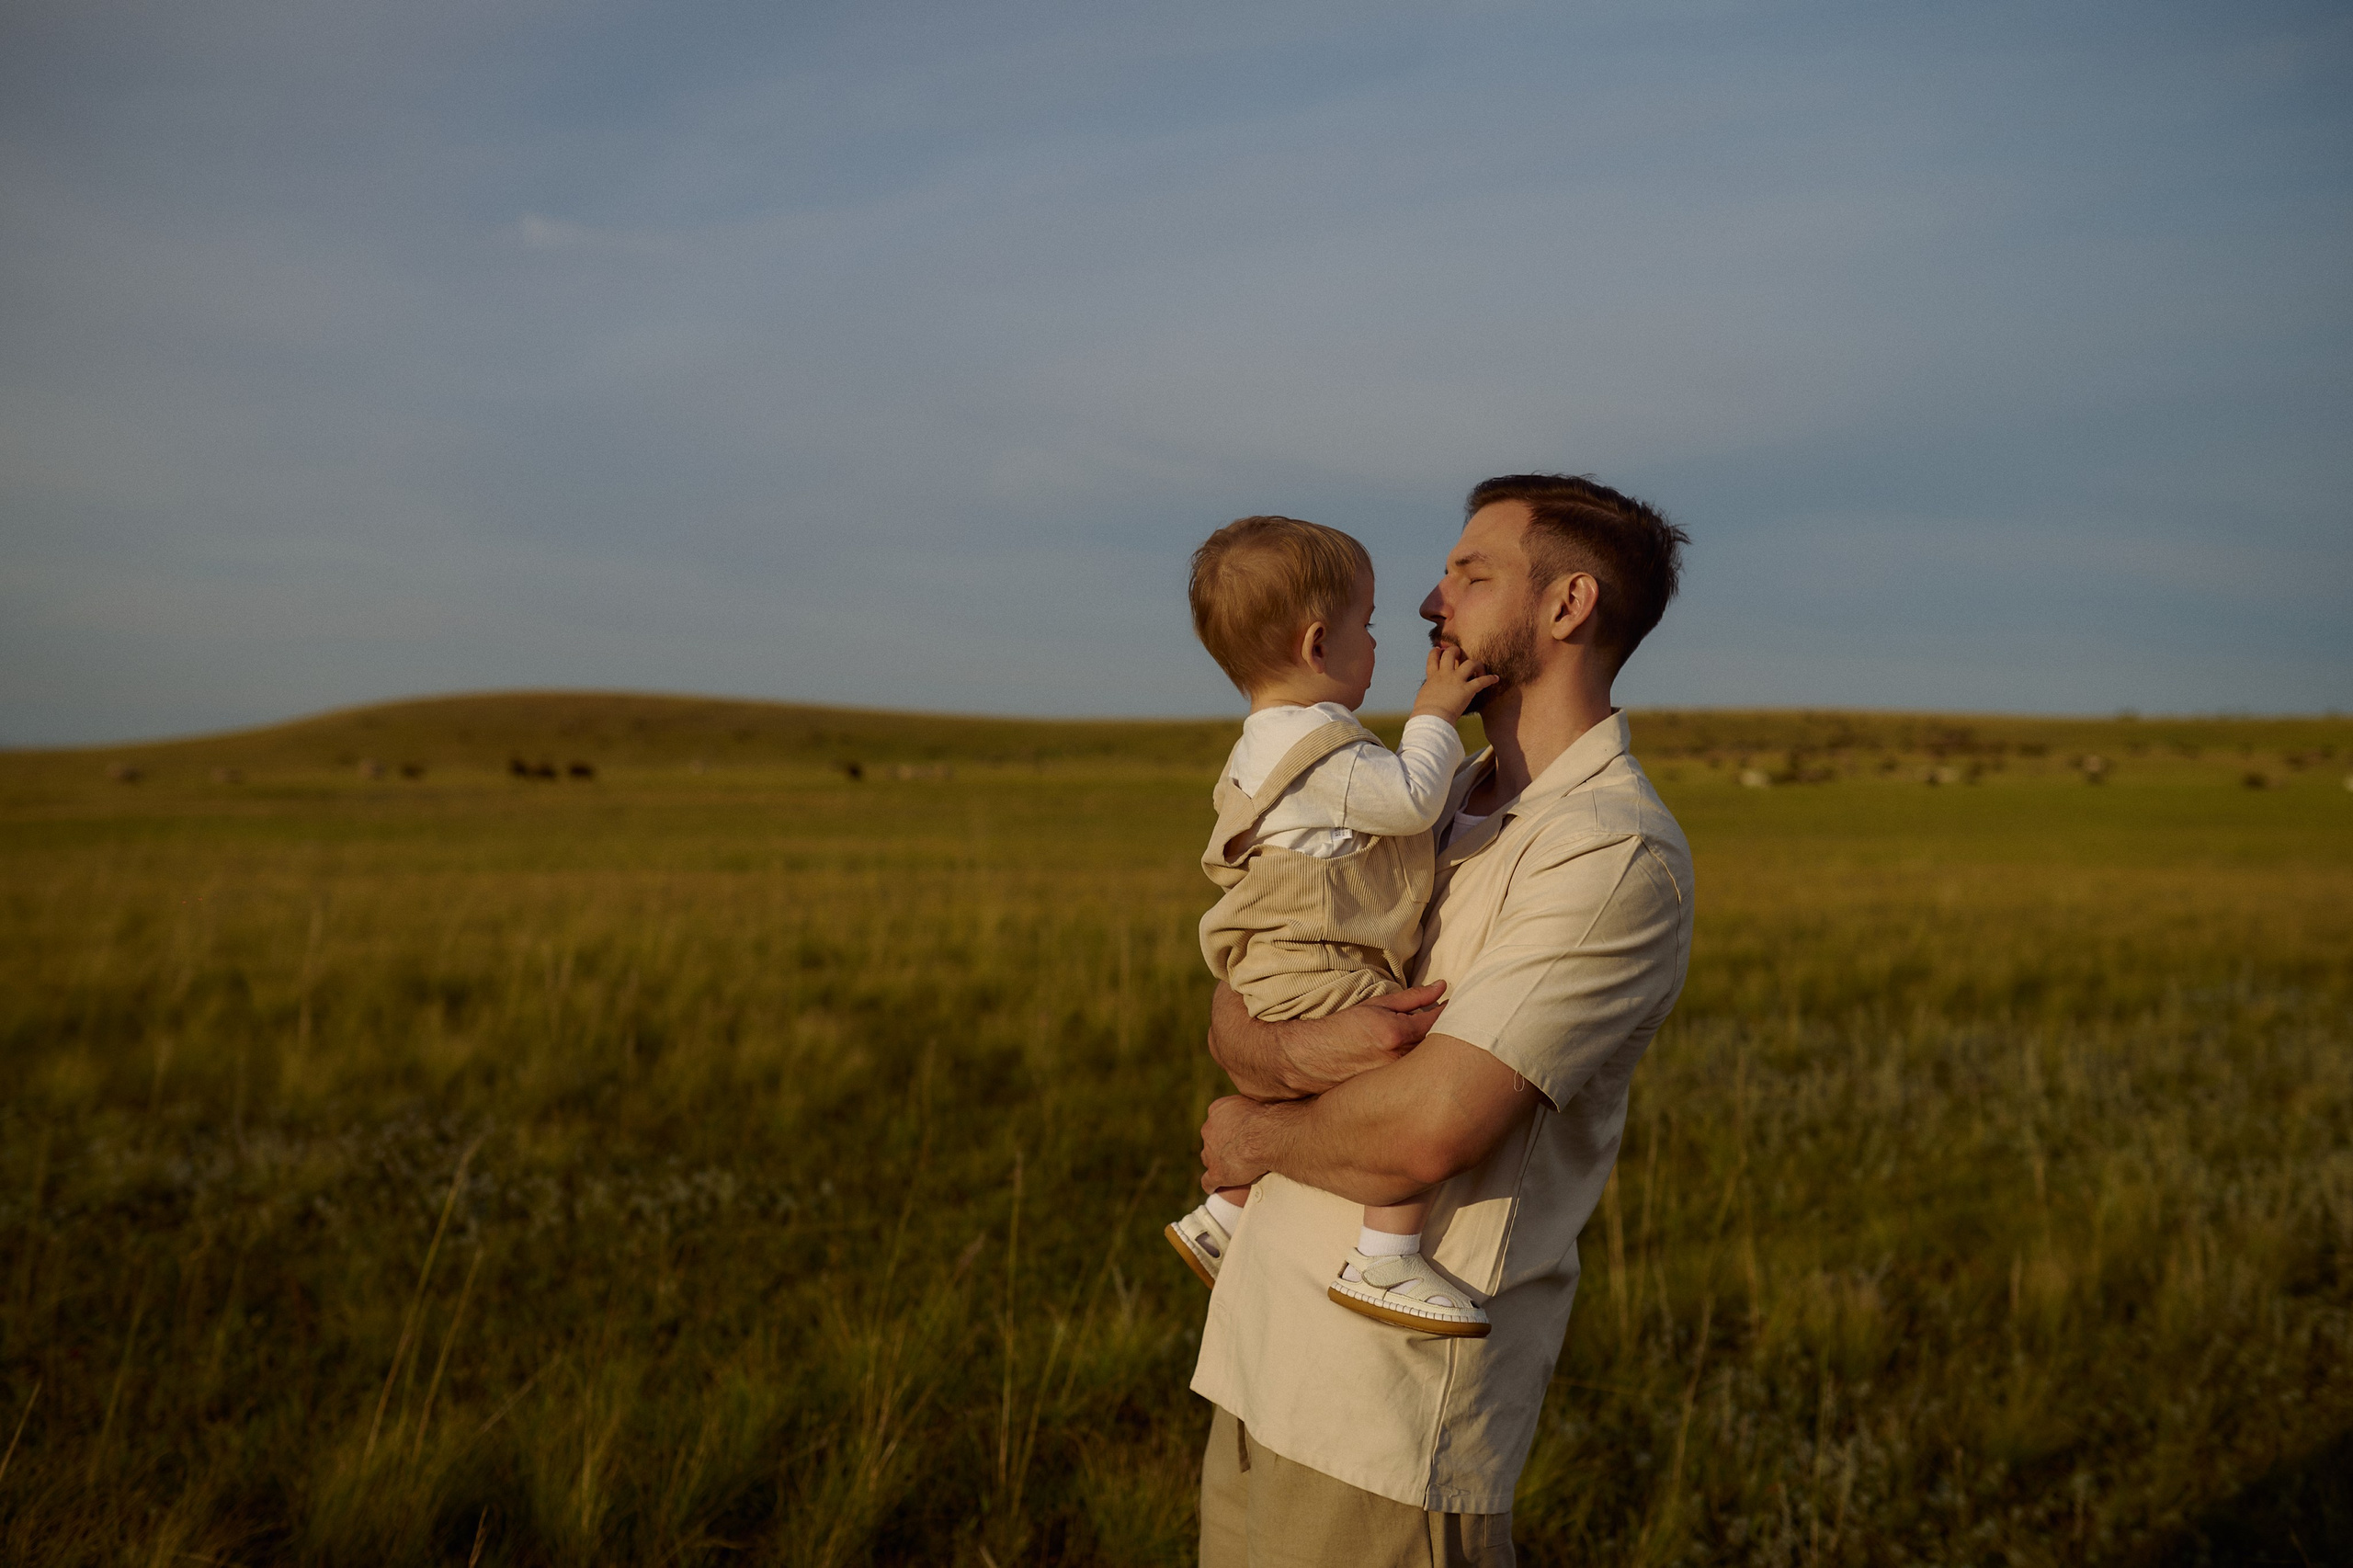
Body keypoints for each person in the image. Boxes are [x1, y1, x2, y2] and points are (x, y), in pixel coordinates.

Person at [1189, 474, 1695, 1568]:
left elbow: (1427, 1129)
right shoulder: (1425, 794)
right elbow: (1243, 996)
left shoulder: (1608, 853)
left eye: (1470, 574)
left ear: (1566, 607)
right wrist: (1278, 1051)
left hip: (1385, 1418)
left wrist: (1253, 1133)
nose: (1431, 599)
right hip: (1255, 1349)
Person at [1164, 515, 1502, 1337]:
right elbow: (1414, 798)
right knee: (1397, 1083)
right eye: (1370, 624)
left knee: (1327, 1080)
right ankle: (1385, 1259)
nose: (1380, 641)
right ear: (1319, 644)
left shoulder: (1260, 745)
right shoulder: (1323, 748)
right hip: (1321, 963)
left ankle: (1225, 1215)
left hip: (1275, 966)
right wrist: (1435, 712)